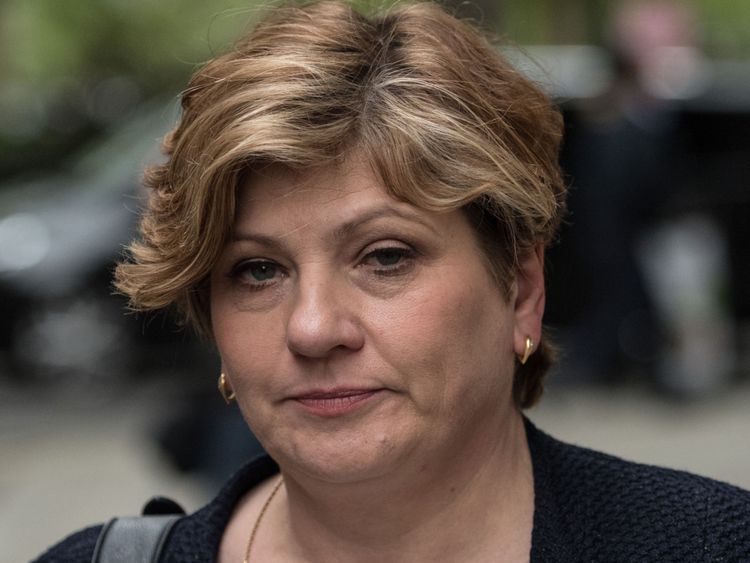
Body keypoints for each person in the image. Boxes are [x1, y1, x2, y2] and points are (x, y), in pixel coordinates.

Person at [35, 1, 750, 561]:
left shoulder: (711, 544)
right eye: (257, 270)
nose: (312, 326)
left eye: (385, 257)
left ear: (522, 288)